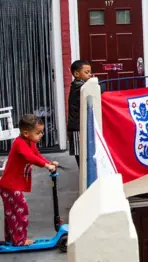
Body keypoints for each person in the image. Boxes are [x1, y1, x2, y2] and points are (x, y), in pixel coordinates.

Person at [0, 114, 58, 246]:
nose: (41, 135)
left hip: (12, 184)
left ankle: (11, 239)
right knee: (21, 209)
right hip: (9, 184)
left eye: (41, 132)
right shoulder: (19, 143)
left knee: (11, 212)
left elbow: (36, 155)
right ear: (26, 133)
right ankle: (19, 240)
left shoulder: (30, 142)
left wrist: (49, 163)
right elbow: (30, 158)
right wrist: (46, 166)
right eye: (38, 133)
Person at [68, 60, 92, 167]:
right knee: (80, 154)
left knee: (84, 152)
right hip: (76, 127)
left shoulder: (82, 85)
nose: (90, 75)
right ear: (77, 74)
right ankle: (82, 175)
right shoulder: (79, 86)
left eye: (90, 72)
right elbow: (98, 90)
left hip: (80, 125)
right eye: (87, 72)